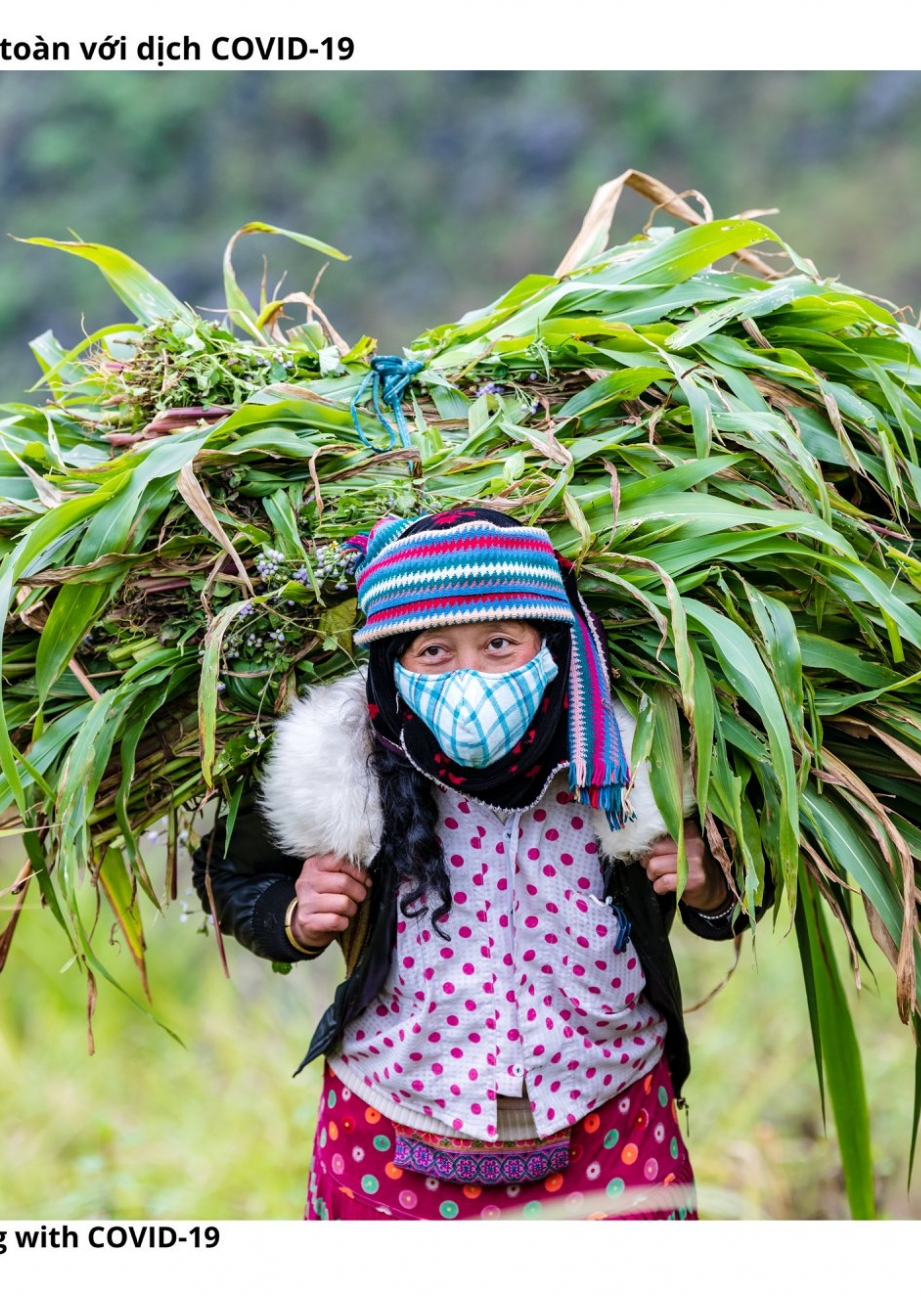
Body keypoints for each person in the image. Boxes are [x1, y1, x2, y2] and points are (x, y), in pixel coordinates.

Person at [195, 506, 758, 1220]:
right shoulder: (336, 767)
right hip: (390, 1133)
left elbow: (751, 879)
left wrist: (711, 887)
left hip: (611, 1122)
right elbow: (230, 872)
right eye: (434, 651)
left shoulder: (635, 754)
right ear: (392, 663)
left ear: (550, 643)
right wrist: (292, 917)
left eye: (499, 643)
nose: (470, 678)